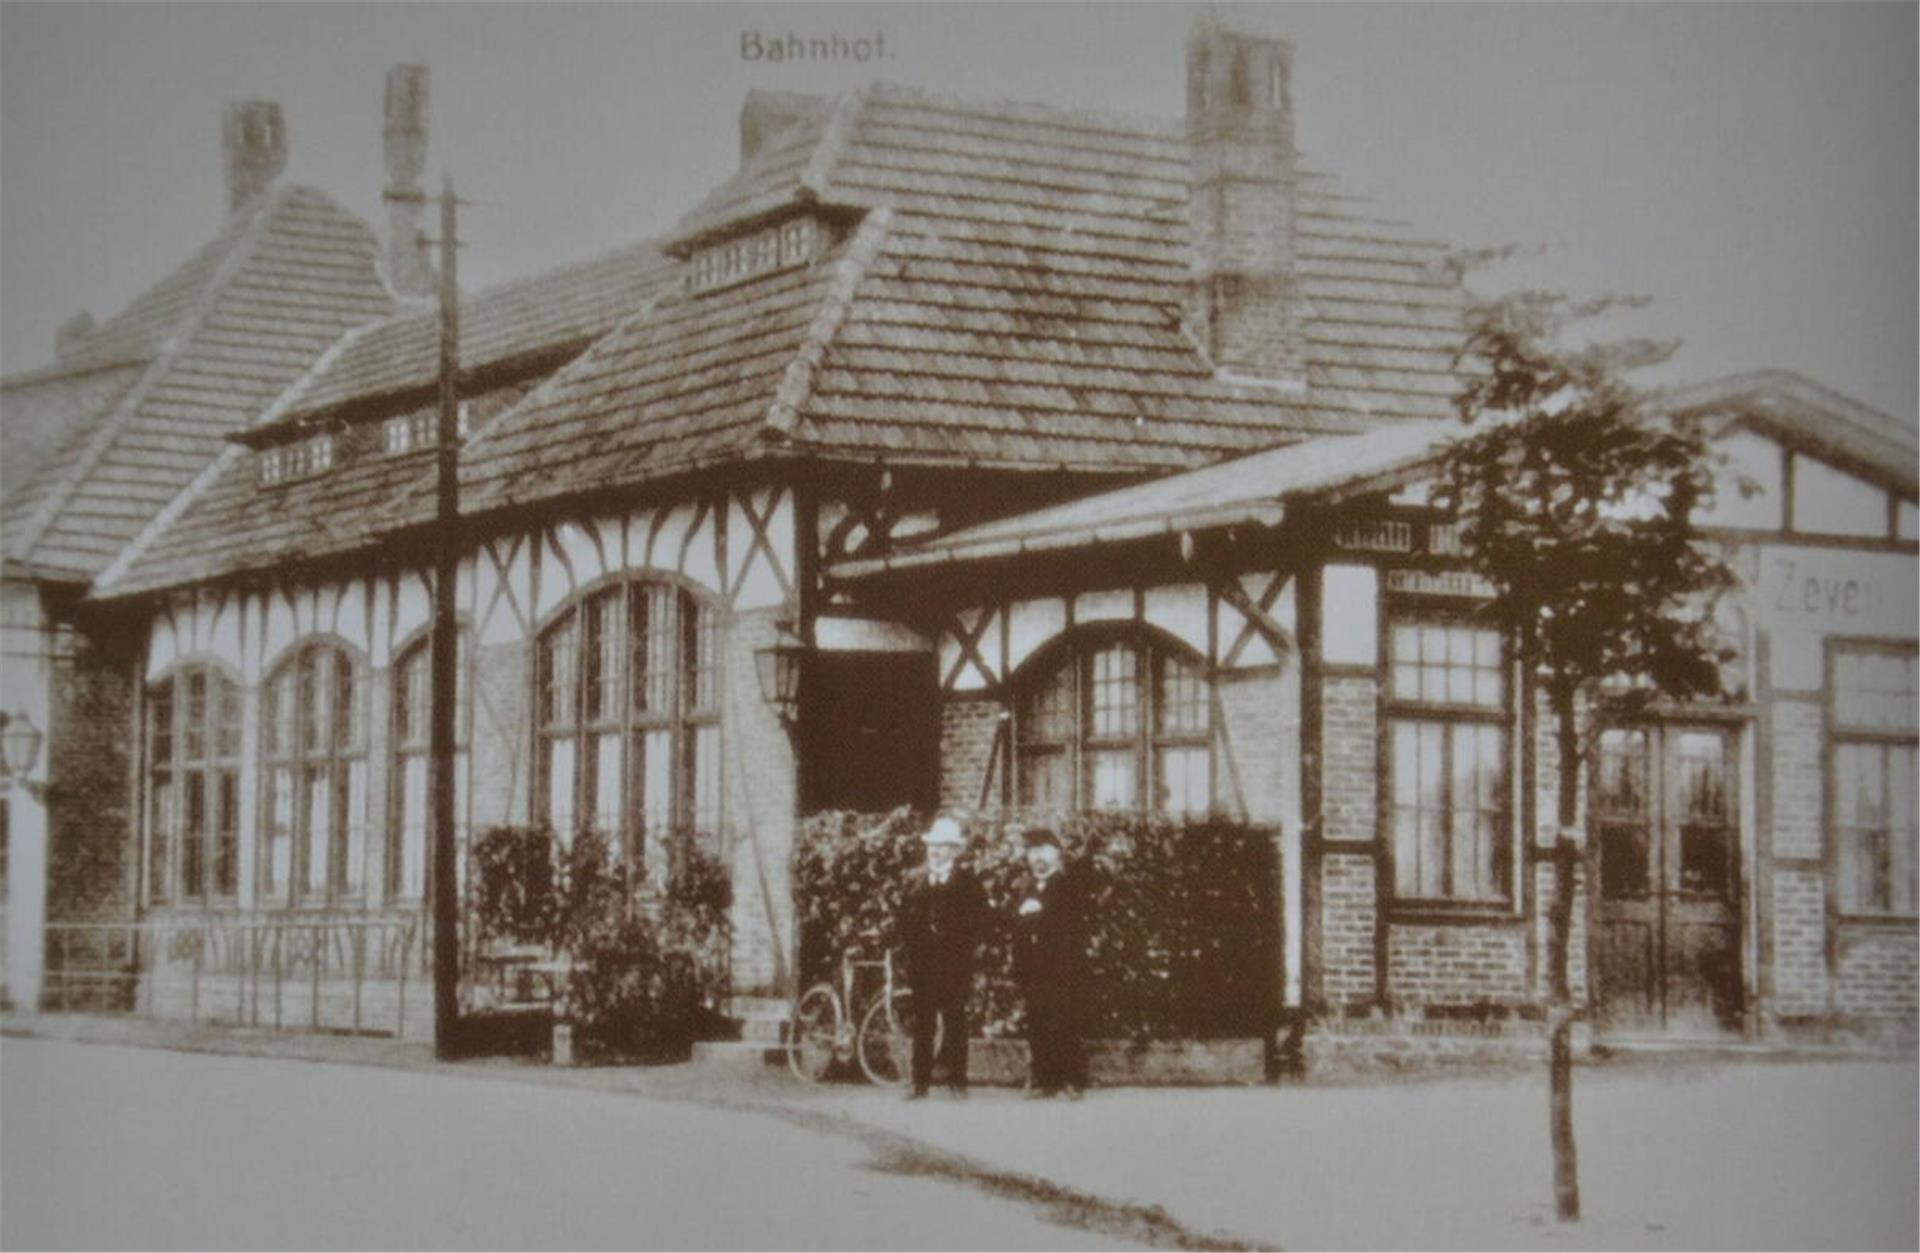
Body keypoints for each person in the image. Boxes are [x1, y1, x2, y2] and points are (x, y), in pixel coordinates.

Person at [897, 815, 986, 1100]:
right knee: (923, 1025)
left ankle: (957, 1080)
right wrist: (907, 959)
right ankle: (918, 1082)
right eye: (933, 845)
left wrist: (966, 953)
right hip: (922, 965)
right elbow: (903, 924)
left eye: (944, 846)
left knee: (955, 1023)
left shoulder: (968, 883)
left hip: (954, 965)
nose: (936, 851)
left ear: (955, 851)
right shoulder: (913, 881)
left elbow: (979, 923)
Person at [1012, 826, 1090, 1099]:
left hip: (1060, 969)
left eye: (1044, 852)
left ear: (1057, 855)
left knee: (1063, 1022)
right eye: (1033, 853)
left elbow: (1072, 929)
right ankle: (1044, 1079)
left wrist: (1037, 918)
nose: (1038, 859)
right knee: (1038, 1023)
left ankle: (1072, 1079)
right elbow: (1017, 930)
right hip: (1034, 969)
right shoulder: (1026, 887)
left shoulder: (1067, 887)